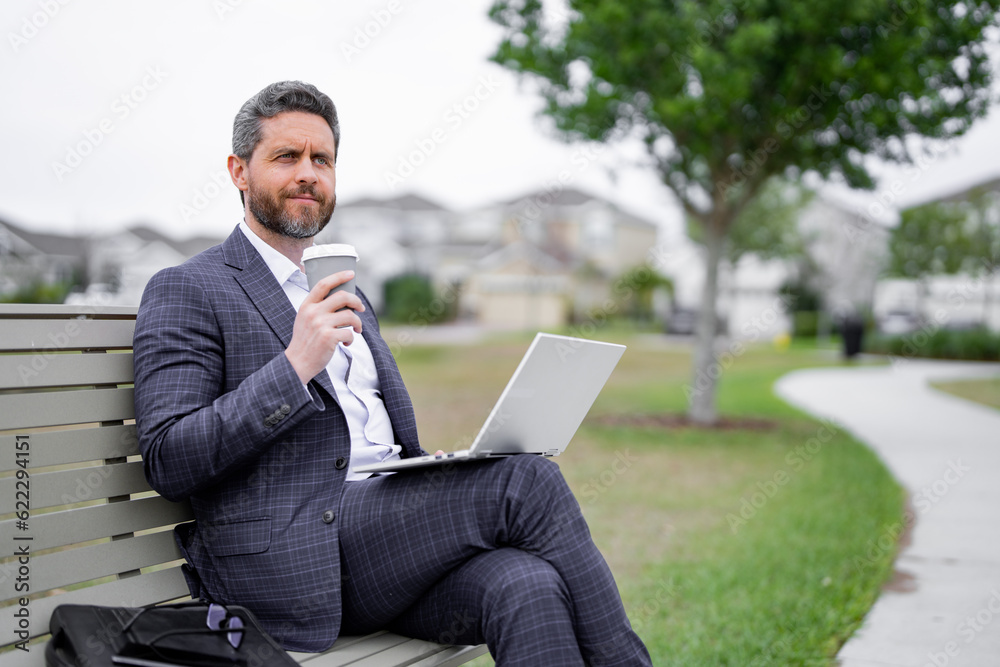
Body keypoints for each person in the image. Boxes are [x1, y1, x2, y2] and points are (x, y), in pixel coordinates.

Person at [132, 80, 651, 666]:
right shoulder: (189, 288)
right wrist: (295, 365)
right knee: (524, 480)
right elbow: (170, 458)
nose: (308, 173)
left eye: (322, 160)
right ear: (238, 171)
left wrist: (435, 469)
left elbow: (369, 437)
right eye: (287, 156)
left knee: (524, 581)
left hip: (379, 547)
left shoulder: (347, 296)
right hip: (289, 562)